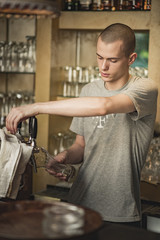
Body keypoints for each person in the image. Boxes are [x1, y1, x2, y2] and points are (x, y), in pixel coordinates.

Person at [6, 23, 158, 227]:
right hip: (79, 204)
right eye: (100, 57)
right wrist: (65, 157)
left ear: (131, 59)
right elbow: (81, 147)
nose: (103, 67)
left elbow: (104, 106)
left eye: (112, 60)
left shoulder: (145, 88)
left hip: (119, 211)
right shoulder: (88, 90)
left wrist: (36, 107)